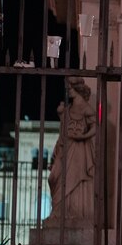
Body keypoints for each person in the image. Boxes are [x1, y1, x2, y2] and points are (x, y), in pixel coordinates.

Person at [45, 77, 96, 224]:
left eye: (70, 88)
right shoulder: (67, 109)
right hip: (65, 147)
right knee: (54, 177)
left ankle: (71, 212)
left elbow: (95, 127)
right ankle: (59, 212)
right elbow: (63, 132)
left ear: (78, 89)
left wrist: (83, 136)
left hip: (79, 149)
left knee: (74, 178)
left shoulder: (86, 108)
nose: (68, 91)